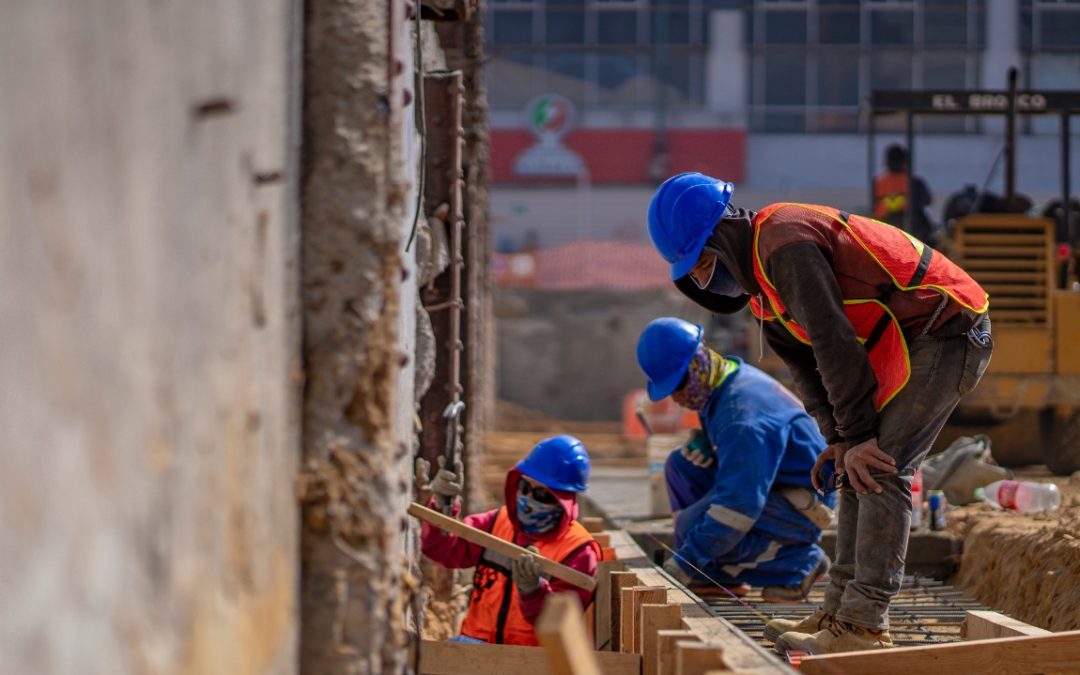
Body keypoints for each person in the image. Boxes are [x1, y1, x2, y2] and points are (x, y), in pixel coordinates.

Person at [646, 172, 993, 654]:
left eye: (704, 265)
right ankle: (839, 610)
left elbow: (832, 342)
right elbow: (808, 373)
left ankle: (865, 623)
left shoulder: (784, 243)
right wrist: (839, 439)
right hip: (906, 339)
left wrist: (859, 437)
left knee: (881, 467)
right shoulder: (764, 294)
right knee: (854, 466)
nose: (706, 279)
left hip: (950, 327)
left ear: (722, 235)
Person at [636, 317, 835, 607]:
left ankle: (800, 564)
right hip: (775, 482)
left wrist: (686, 562)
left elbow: (738, 507)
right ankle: (715, 572)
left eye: (678, 385)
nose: (677, 398)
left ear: (697, 364)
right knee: (681, 466)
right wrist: (711, 441)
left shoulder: (741, 417)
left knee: (699, 527)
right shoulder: (723, 381)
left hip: (804, 502)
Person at [414, 435, 600, 646]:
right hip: (472, 651)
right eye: (525, 487)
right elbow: (443, 550)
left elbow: (564, 623)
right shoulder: (497, 522)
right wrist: (441, 507)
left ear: (565, 500)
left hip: (532, 664)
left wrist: (533, 591)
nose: (528, 499)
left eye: (541, 494)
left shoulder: (578, 551)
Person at [874, 144, 938, 245]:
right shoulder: (914, 183)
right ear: (905, 162)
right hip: (911, 236)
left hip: (882, 233)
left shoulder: (878, 183)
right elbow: (927, 201)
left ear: (887, 162)